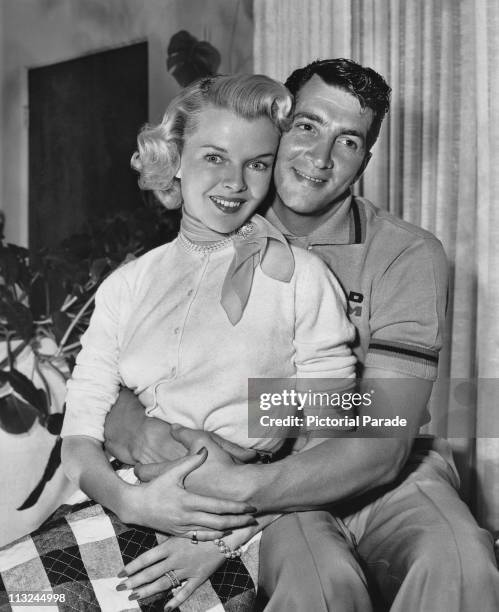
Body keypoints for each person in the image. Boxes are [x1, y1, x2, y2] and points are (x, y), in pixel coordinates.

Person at [105, 59, 499, 611]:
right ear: (277, 125)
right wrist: (136, 426)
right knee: (319, 585)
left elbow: (383, 440)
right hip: (258, 466)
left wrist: (236, 510)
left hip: (377, 467)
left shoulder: (408, 253)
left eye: (349, 142)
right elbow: (119, 371)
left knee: (460, 562)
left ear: (365, 159)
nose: (320, 158)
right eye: (308, 126)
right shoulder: (214, 219)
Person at [59, 73, 358, 609]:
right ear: (174, 159)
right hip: (128, 501)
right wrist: (132, 502)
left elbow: (334, 437)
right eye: (214, 158)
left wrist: (225, 536)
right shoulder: (127, 284)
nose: (236, 183)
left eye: (257, 163)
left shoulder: (301, 276)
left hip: (238, 528)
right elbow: (79, 436)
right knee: (30, 598)